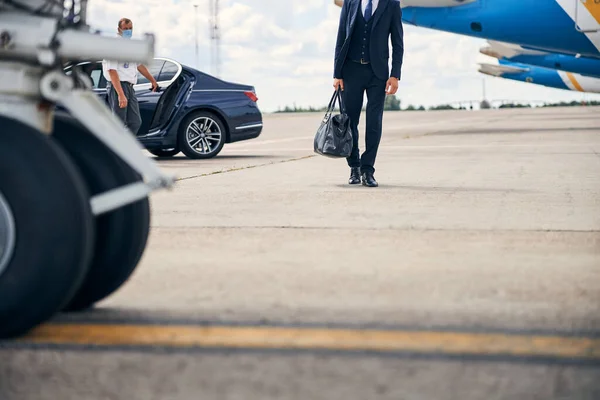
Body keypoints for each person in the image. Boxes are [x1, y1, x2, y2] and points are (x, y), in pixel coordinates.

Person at [333, 0, 404, 187]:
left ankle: (368, 170)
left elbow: (397, 42)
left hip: (377, 74)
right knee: (351, 121)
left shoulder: (392, 4)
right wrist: (337, 73)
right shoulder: (350, 2)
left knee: (374, 122)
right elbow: (341, 37)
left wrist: (395, 74)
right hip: (351, 71)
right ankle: (354, 167)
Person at [102, 17, 159, 135]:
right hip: (118, 86)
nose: (128, 31)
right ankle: (115, 149)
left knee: (135, 122)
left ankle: (123, 146)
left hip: (129, 87)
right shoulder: (114, 46)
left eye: (130, 28)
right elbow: (112, 71)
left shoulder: (129, 46)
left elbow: (139, 65)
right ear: (119, 29)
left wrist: (152, 80)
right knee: (118, 123)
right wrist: (121, 95)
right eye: (125, 29)